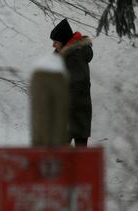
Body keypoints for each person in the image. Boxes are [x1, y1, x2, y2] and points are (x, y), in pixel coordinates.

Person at [50, 19, 93, 147]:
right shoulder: (64, 54)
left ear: (63, 41)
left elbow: (77, 86)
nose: (53, 45)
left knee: (72, 157)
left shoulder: (75, 57)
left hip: (75, 114)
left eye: (55, 42)